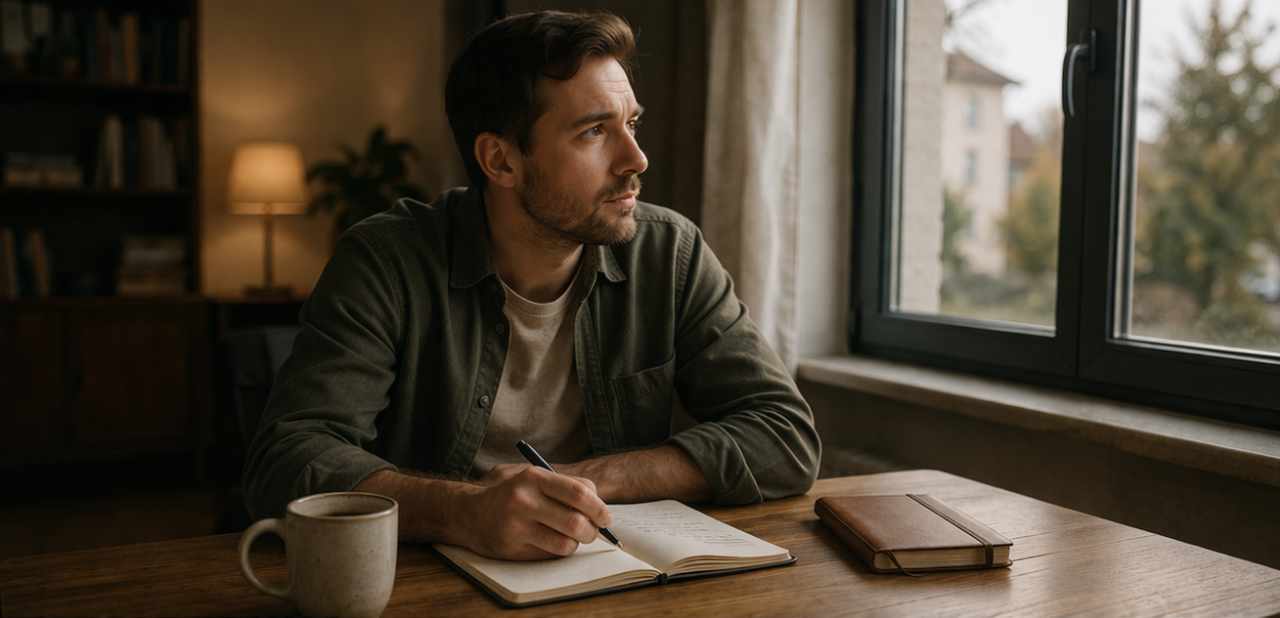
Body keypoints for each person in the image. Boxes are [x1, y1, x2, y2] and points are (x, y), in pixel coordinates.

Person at [243, 10, 820, 561]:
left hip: (605, 573)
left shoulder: (669, 253)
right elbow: (290, 458)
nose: (636, 159)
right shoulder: (387, 261)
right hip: (424, 583)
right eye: (595, 131)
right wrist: (464, 510)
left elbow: (784, 435)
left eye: (631, 123)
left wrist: (577, 482)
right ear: (501, 161)